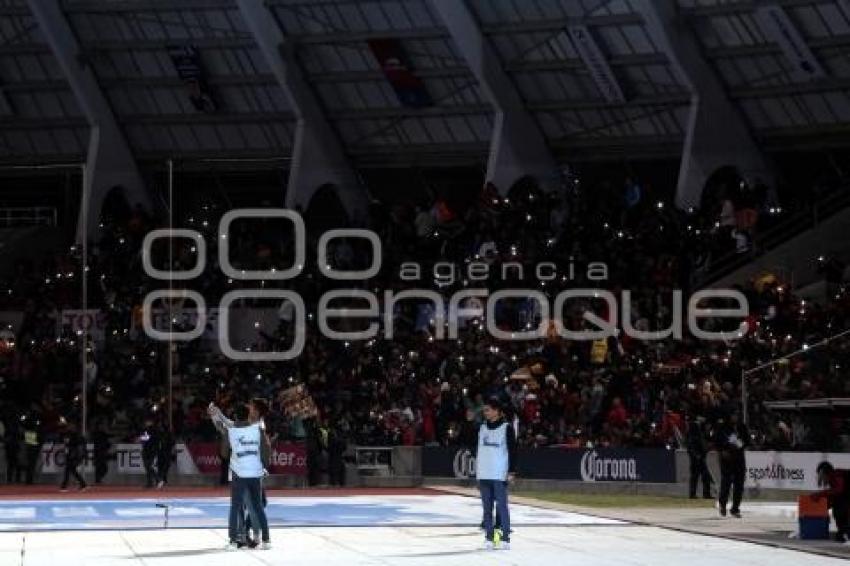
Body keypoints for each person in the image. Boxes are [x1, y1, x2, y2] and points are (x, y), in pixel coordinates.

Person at [224, 403, 271, 551]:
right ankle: (267, 540)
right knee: (258, 506)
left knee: (235, 507)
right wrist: (263, 465)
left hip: (239, 473)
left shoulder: (230, 430)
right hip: (255, 472)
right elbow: (266, 448)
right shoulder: (258, 428)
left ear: (236, 416)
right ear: (248, 415)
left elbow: (224, 453)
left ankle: (233, 541)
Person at [476, 398, 516, 550]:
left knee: (502, 507)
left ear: (496, 411)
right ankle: (489, 537)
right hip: (484, 474)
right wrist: (478, 474)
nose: (485, 413)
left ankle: (505, 538)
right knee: (486, 509)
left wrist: (511, 471)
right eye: (484, 410)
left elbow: (513, 451)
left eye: (488, 410)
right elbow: (479, 451)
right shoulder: (482, 428)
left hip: (499, 474)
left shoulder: (507, 428)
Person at [714, 413, 749, 518]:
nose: (735, 417)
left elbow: (747, 440)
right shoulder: (722, 427)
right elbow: (717, 441)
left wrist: (740, 444)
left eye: (736, 415)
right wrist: (722, 450)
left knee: (739, 484)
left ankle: (735, 508)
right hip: (726, 458)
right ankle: (722, 505)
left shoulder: (741, 427)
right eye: (733, 414)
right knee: (726, 482)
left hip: (739, 457)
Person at [814, 461, 850, 542]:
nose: (821, 479)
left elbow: (839, 490)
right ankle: (843, 531)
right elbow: (835, 496)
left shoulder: (837, 475)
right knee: (838, 506)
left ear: (824, 473)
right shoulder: (833, 478)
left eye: (821, 476)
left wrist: (820, 494)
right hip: (845, 498)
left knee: (840, 508)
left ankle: (845, 532)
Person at [686, 415, 712, 499]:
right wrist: (697, 455)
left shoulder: (697, 433)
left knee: (700, 476)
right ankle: (697, 494)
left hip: (698, 456)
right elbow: (692, 446)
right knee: (698, 475)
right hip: (697, 457)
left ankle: (700, 493)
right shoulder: (694, 432)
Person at [60, 423, 87, 492]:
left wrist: (79, 455)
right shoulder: (67, 435)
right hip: (70, 455)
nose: (69, 427)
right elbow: (66, 444)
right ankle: (83, 484)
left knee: (69, 470)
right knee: (72, 470)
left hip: (74, 455)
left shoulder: (77, 436)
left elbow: (79, 446)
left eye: (71, 426)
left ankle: (64, 486)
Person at [139, 420, 160, 489]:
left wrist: (140, 438)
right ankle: (150, 482)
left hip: (151, 451)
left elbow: (148, 438)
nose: (146, 423)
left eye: (148, 422)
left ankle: (157, 480)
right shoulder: (146, 430)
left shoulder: (153, 430)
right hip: (147, 450)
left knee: (149, 466)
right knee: (148, 467)